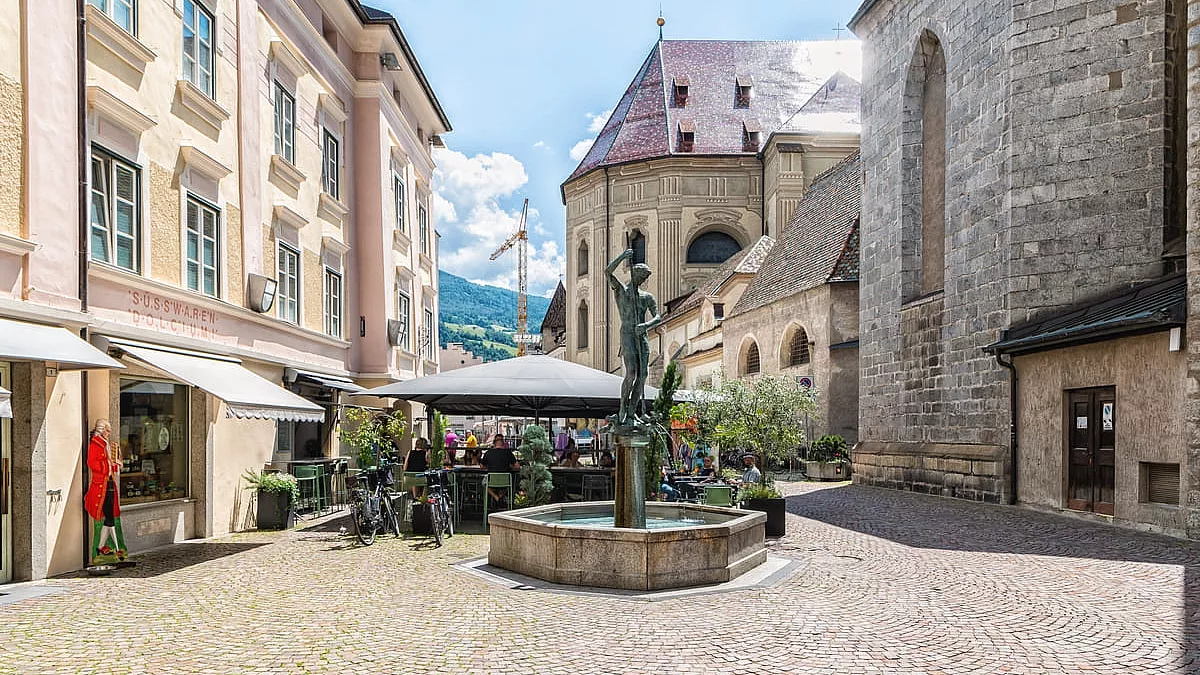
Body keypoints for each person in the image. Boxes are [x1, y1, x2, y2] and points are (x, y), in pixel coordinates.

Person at [605, 248, 662, 425]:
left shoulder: (647, 297)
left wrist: (646, 325)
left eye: (646, 278)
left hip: (641, 334)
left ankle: (632, 412)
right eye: (642, 276)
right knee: (631, 372)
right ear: (635, 274)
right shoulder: (621, 291)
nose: (644, 280)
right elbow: (607, 272)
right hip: (628, 334)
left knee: (643, 375)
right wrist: (623, 256)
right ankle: (623, 408)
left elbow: (658, 316)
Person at [84, 419, 127, 563]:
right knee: (108, 518)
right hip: (100, 486)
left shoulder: (108, 445)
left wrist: (116, 464)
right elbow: (92, 463)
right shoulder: (96, 444)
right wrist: (109, 464)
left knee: (110, 518)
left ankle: (104, 548)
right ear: (102, 430)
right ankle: (112, 549)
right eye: (107, 430)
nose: (109, 433)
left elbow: (111, 465)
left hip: (109, 484)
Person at [483, 433, 519, 505]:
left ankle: (496, 497)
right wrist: (510, 466)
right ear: (503, 442)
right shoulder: (508, 452)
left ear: (494, 442)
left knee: (484, 484)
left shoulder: (488, 452)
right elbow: (517, 466)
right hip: (505, 482)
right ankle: (500, 497)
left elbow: (482, 466)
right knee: (508, 482)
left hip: (491, 482)